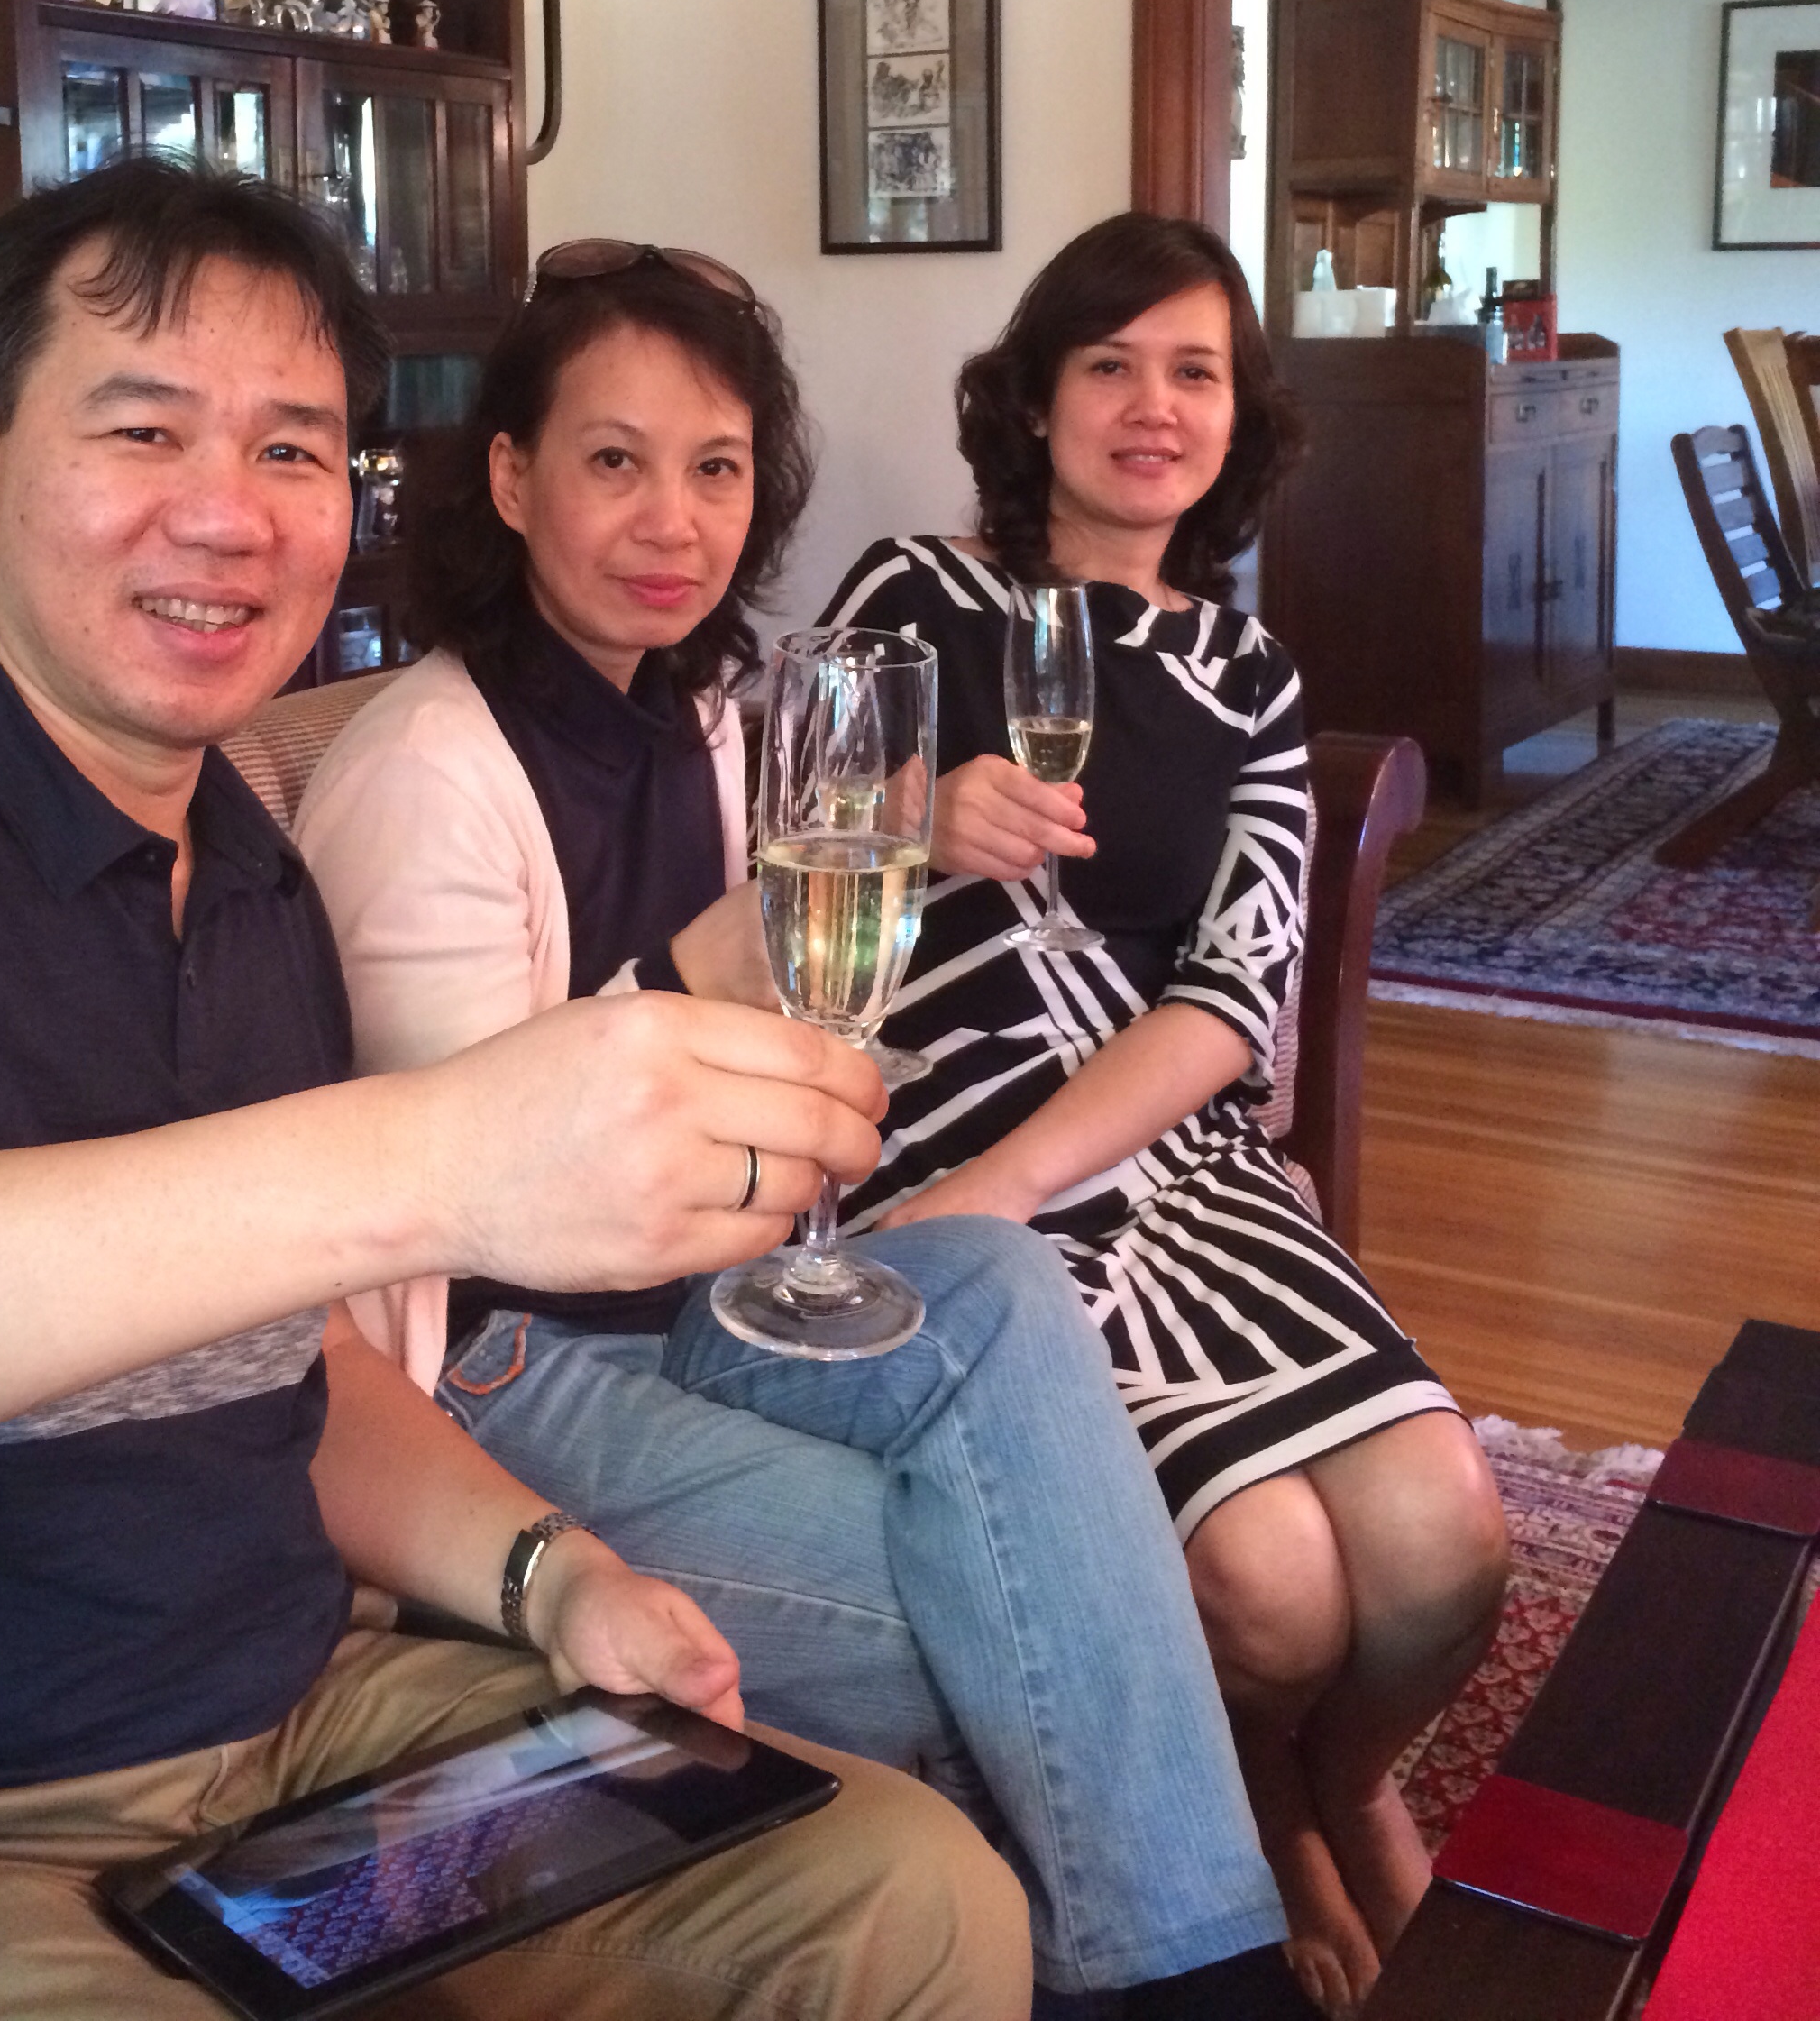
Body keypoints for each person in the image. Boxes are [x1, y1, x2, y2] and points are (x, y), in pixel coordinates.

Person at [0, 162, 1029, 2021]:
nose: (227, 515)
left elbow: (301, 1371)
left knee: (911, 1897)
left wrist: (550, 1576)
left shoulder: (257, 880)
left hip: (306, 1740)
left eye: (291, 452)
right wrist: (422, 1157)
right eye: (144, 431)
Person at [297, 238, 1310, 2019]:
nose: (671, 520)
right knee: (990, 1605)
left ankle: (1193, 1968)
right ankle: (1177, 1978)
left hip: (707, 1295)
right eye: (614, 462)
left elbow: (827, 991)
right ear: (514, 478)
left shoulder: (713, 720)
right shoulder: (421, 770)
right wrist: (740, 940)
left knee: (998, 1278)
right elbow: (490, 1188)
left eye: (716, 468)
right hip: (504, 1358)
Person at [820, 213, 1510, 2017]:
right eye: (1109, 364)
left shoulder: (1255, 678)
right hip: (938, 1132)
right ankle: (1259, 1805)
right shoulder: (915, 593)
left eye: (1193, 371)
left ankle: (1342, 1777)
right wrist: (916, 822)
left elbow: (1234, 990)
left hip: (1162, 1147)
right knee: (1274, 1589)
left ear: (1238, 417)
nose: (1152, 405)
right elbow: (782, 852)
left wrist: (1026, 1177)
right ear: (1036, 401)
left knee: (1445, 1540)